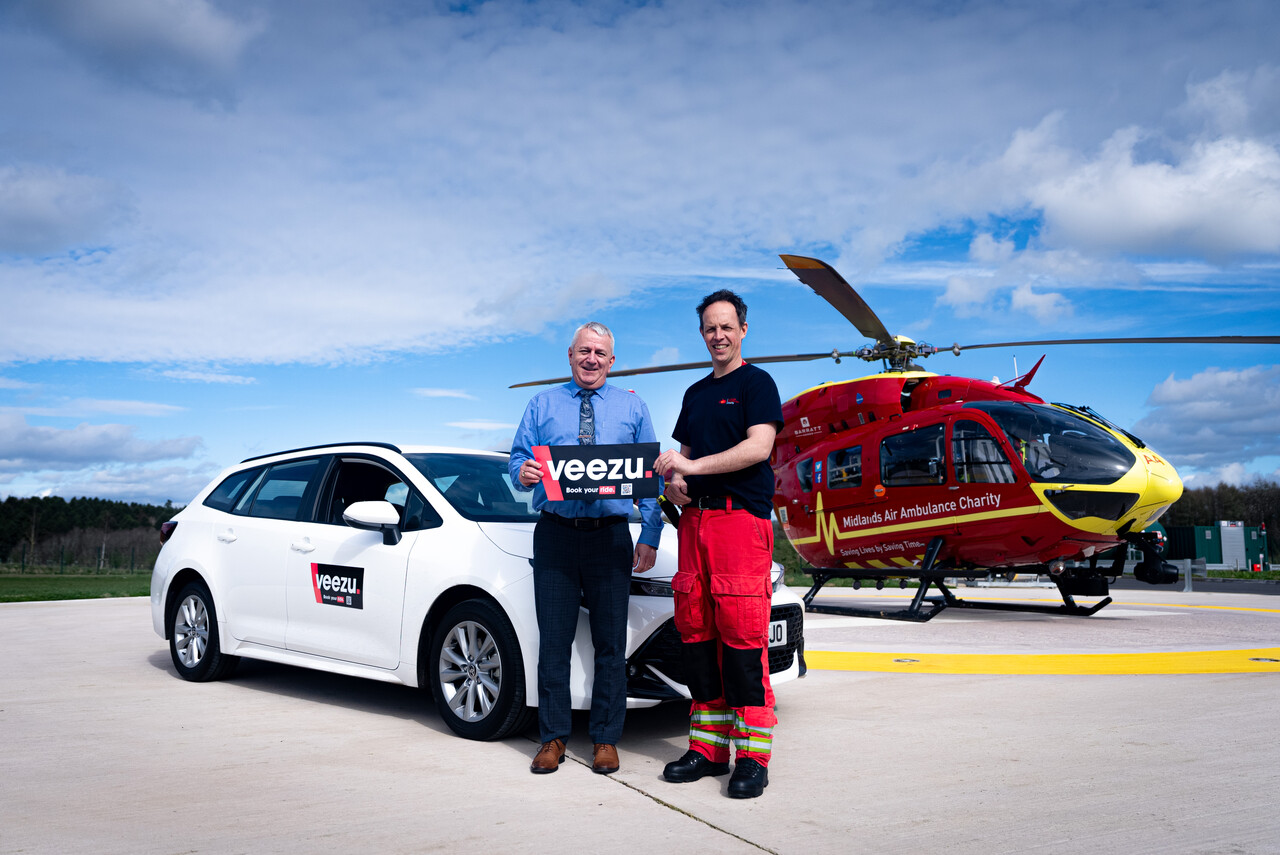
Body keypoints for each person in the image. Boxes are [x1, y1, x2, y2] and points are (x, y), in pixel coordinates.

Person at [509, 321, 662, 776]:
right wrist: (523, 474)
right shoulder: (541, 404)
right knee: (553, 641)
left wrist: (650, 534)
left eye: (600, 353)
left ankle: (605, 740)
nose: (591, 359)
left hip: (609, 535)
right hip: (555, 533)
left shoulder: (633, 408)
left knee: (610, 644)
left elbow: (650, 476)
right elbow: (519, 458)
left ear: (611, 361)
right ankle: (552, 738)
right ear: (570, 356)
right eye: (583, 351)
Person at [653, 289, 783, 799]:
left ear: (743, 330)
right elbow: (682, 461)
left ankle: (752, 756)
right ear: (702, 333)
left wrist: (693, 468)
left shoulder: (757, 383)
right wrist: (672, 483)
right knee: (698, 634)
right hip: (694, 524)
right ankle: (708, 749)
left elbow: (759, 446)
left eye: (727, 326)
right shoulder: (694, 394)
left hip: (739, 525)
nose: (718, 335)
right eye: (710, 328)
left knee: (743, 636)